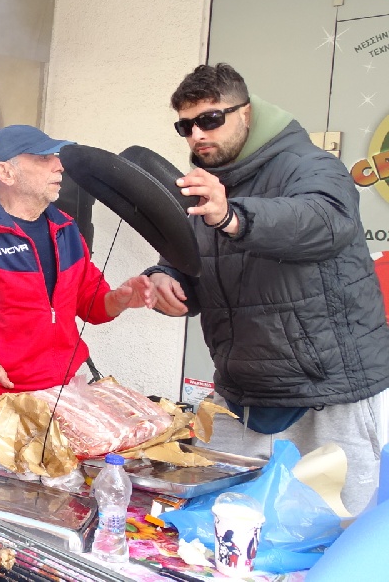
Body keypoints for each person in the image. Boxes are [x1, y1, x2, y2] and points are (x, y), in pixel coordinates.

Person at [146, 63, 389, 514]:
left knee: (339, 531)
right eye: (186, 125)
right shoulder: (204, 187)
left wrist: (232, 216)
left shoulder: (312, 165)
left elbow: (324, 222)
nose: (198, 134)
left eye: (211, 119)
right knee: (228, 527)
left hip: (328, 394)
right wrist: (166, 281)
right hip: (241, 394)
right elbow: (186, 261)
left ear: (247, 113)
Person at [0, 125, 154, 435]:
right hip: (1, 401)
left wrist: (121, 299)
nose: (59, 165)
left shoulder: (66, 228)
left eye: (56, 157)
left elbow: (91, 304)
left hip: (66, 395)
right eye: (44, 158)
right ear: (6, 173)